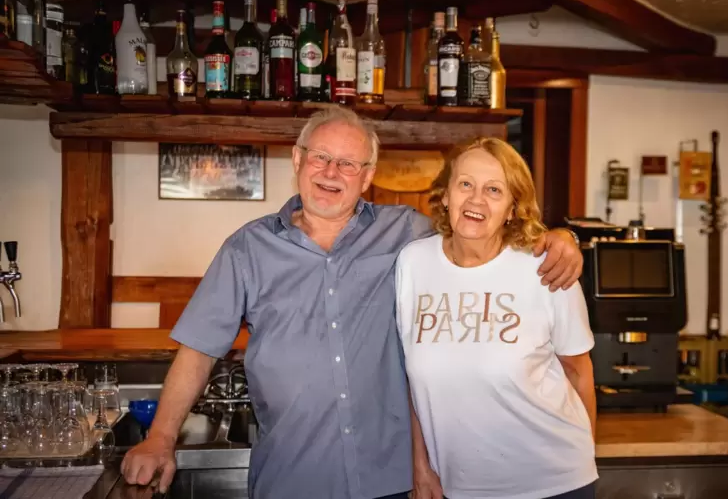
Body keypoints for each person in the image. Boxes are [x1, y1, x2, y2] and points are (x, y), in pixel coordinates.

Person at [120, 106, 585, 499]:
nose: (331, 173)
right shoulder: (247, 249)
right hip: (292, 477)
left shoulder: (408, 233)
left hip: (393, 479)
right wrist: (160, 438)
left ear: (367, 177)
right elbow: (199, 349)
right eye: (321, 157)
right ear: (298, 159)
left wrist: (557, 238)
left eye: (348, 164)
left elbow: (477, 226)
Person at [396, 137, 597, 499]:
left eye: (494, 189)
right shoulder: (413, 263)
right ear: (445, 195)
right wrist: (421, 467)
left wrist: (584, 461)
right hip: (458, 487)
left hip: (553, 483)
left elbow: (578, 371)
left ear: (511, 208)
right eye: (465, 184)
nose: (476, 200)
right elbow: (415, 380)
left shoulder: (546, 266)